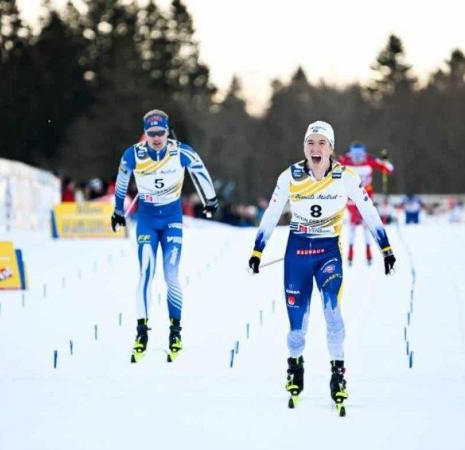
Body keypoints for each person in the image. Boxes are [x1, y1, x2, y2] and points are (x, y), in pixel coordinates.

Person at [248, 120, 396, 416]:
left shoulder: (346, 177)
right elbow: (272, 213)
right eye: (310, 143)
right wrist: (257, 249)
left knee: (332, 314)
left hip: (328, 254)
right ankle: (295, 367)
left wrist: (385, 246)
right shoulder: (289, 176)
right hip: (297, 256)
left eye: (321, 143)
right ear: (304, 147)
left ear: (331, 148)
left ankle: (338, 374)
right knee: (297, 331)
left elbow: (368, 210)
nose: (315, 149)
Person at [111, 109, 218, 363]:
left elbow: (200, 172)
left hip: (171, 220)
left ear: (167, 131)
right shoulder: (133, 154)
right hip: (147, 220)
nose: (156, 138)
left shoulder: (180, 151)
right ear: (145, 133)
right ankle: (141, 332)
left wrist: (210, 201)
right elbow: (121, 182)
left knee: (171, 275)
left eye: (160, 133)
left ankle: (175, 331)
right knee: (146, 272)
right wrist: (117, 212)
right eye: (151, 133)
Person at [337, 142, 393, 266]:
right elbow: (329, 170)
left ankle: (368, 254)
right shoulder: (344, 160)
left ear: (364, 153)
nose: (357, 158)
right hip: (351, 199)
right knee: (352, 225)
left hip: (366, 198)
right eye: (354, 155)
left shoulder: (369, 159)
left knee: (366, 225)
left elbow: (389, 169)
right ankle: (350, 254)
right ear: (350, 153)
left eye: (360, 155)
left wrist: (385, 162)